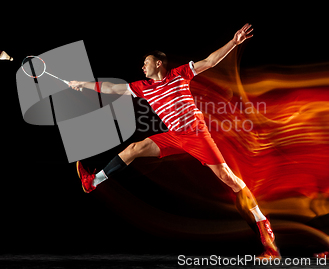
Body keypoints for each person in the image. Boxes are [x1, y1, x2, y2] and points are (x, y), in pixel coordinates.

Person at [68, 24, 280, 259]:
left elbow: (209, 61)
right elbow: (111, 87)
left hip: (196, 134)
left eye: (145, 62)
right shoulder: (143, 87)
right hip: (173, 136)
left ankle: (264, 228)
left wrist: (234, 41)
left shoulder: (180, 74)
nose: (142, 66)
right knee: (134, 149)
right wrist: (83, 84)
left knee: (228, 179)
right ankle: (93, 181)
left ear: (158, 63)